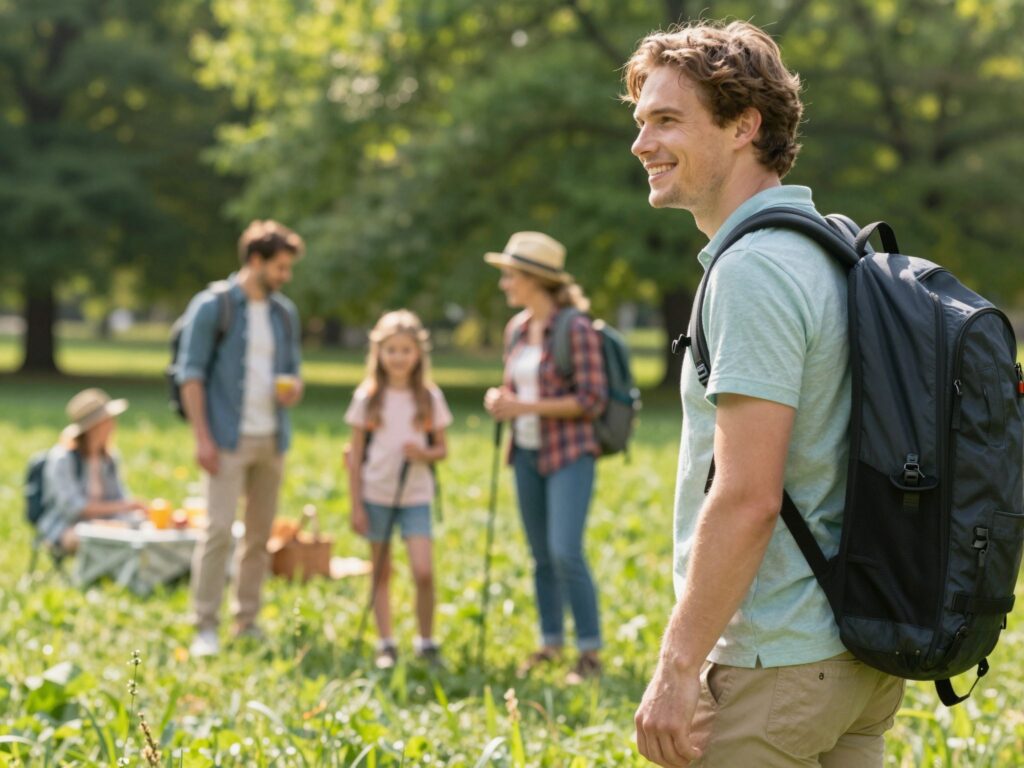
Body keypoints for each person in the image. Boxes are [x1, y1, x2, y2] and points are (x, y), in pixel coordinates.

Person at [625, 21, 904, 767]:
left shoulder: (754, 272)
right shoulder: (830, 245)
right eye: (641, 121)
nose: (642, 143)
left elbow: (749, 495)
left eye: (667, 120)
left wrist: (677, 667)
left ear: (745, 125)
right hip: (855, 656)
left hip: (773, 663)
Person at [483, 231, 608, 684]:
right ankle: (551, 641)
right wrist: (502, 400)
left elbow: (592, 400)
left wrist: (524, 407)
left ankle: (590, 651)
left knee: (565, 551)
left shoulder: (575, 328)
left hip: (570, 453)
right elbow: (515, 388)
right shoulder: (516, 329)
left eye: (510, 276)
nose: (504, 284)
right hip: (526, 453)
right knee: (540, 556)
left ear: (535, 279)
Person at [177, 219, 305, 658]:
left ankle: (246, 620)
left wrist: (294, 389)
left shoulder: (284, 314)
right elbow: (190, 376)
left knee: (258, 536)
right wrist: (202, 438)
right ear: (256, 260)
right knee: (216, 532)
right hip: (226, 438)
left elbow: (293, 370)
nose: (285, 277)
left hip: (272, 436)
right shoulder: (213, 306)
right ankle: (204, 625)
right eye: (280, 267)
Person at [344, 309, 452, 668]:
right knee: (381, 570)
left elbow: (442, 449)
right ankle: (386, 642)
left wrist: (424, 452)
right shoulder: (368, 397)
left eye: (406, 350)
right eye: (392, 350)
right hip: (376, 493)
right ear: (379, 353)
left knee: (423, 571)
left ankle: (426, 640)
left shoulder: (429, 397)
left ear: (418, 353)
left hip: (415, 495)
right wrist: (355, 503)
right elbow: (355, 454)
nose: (399, 357)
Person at [37, 388, 147, 554]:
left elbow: (119, 496)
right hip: (66, 526)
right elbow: (72, 508)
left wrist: (132, 507)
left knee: (143, 527)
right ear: (93, 427)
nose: (113, 425)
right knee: (98, 537)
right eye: (108, 420)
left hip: (105, 523)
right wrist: (121, 508)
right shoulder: (63, 459)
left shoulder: (109, 458)